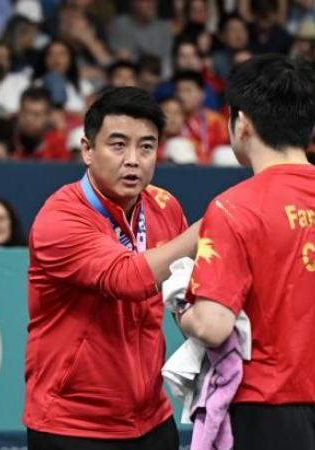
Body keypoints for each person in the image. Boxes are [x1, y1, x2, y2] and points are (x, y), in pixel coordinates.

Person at [178, 54, 315, 450]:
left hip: (267, 417)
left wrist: (180, 308)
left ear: (241, 123)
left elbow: (212, 325)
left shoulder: (232, 207)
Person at [24, 87, 199, 450]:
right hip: (72, 426)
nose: (133, 160)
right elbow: (128, 278)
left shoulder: (165, 207)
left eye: (146, 147)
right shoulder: (60, 217)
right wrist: (211, 227)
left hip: (152, 419)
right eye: (118, 145)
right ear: (88, 150)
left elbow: (186, 291)